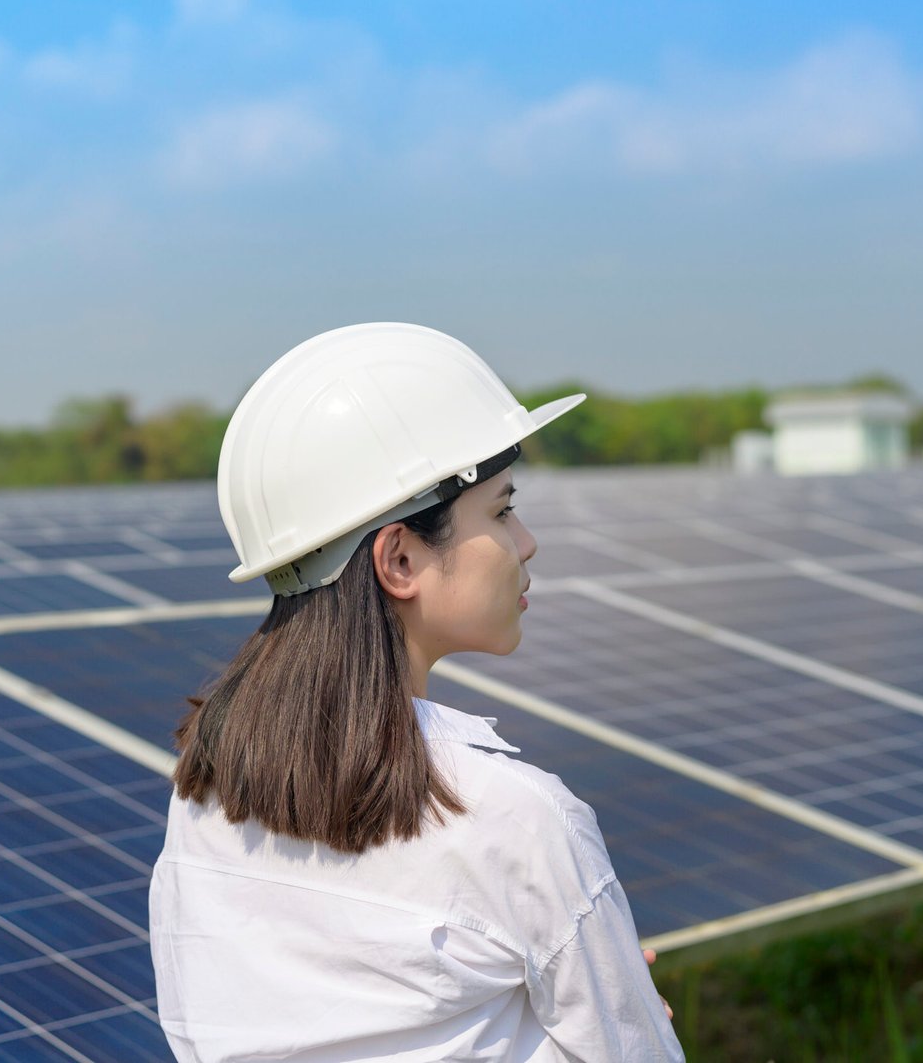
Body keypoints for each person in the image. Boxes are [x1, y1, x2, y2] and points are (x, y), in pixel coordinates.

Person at [149, 323, 684, 1062]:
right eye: (501, 510)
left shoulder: (204, 794)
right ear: (399, 557)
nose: (525, 542)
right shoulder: (518, 820)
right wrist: (621, 1003)